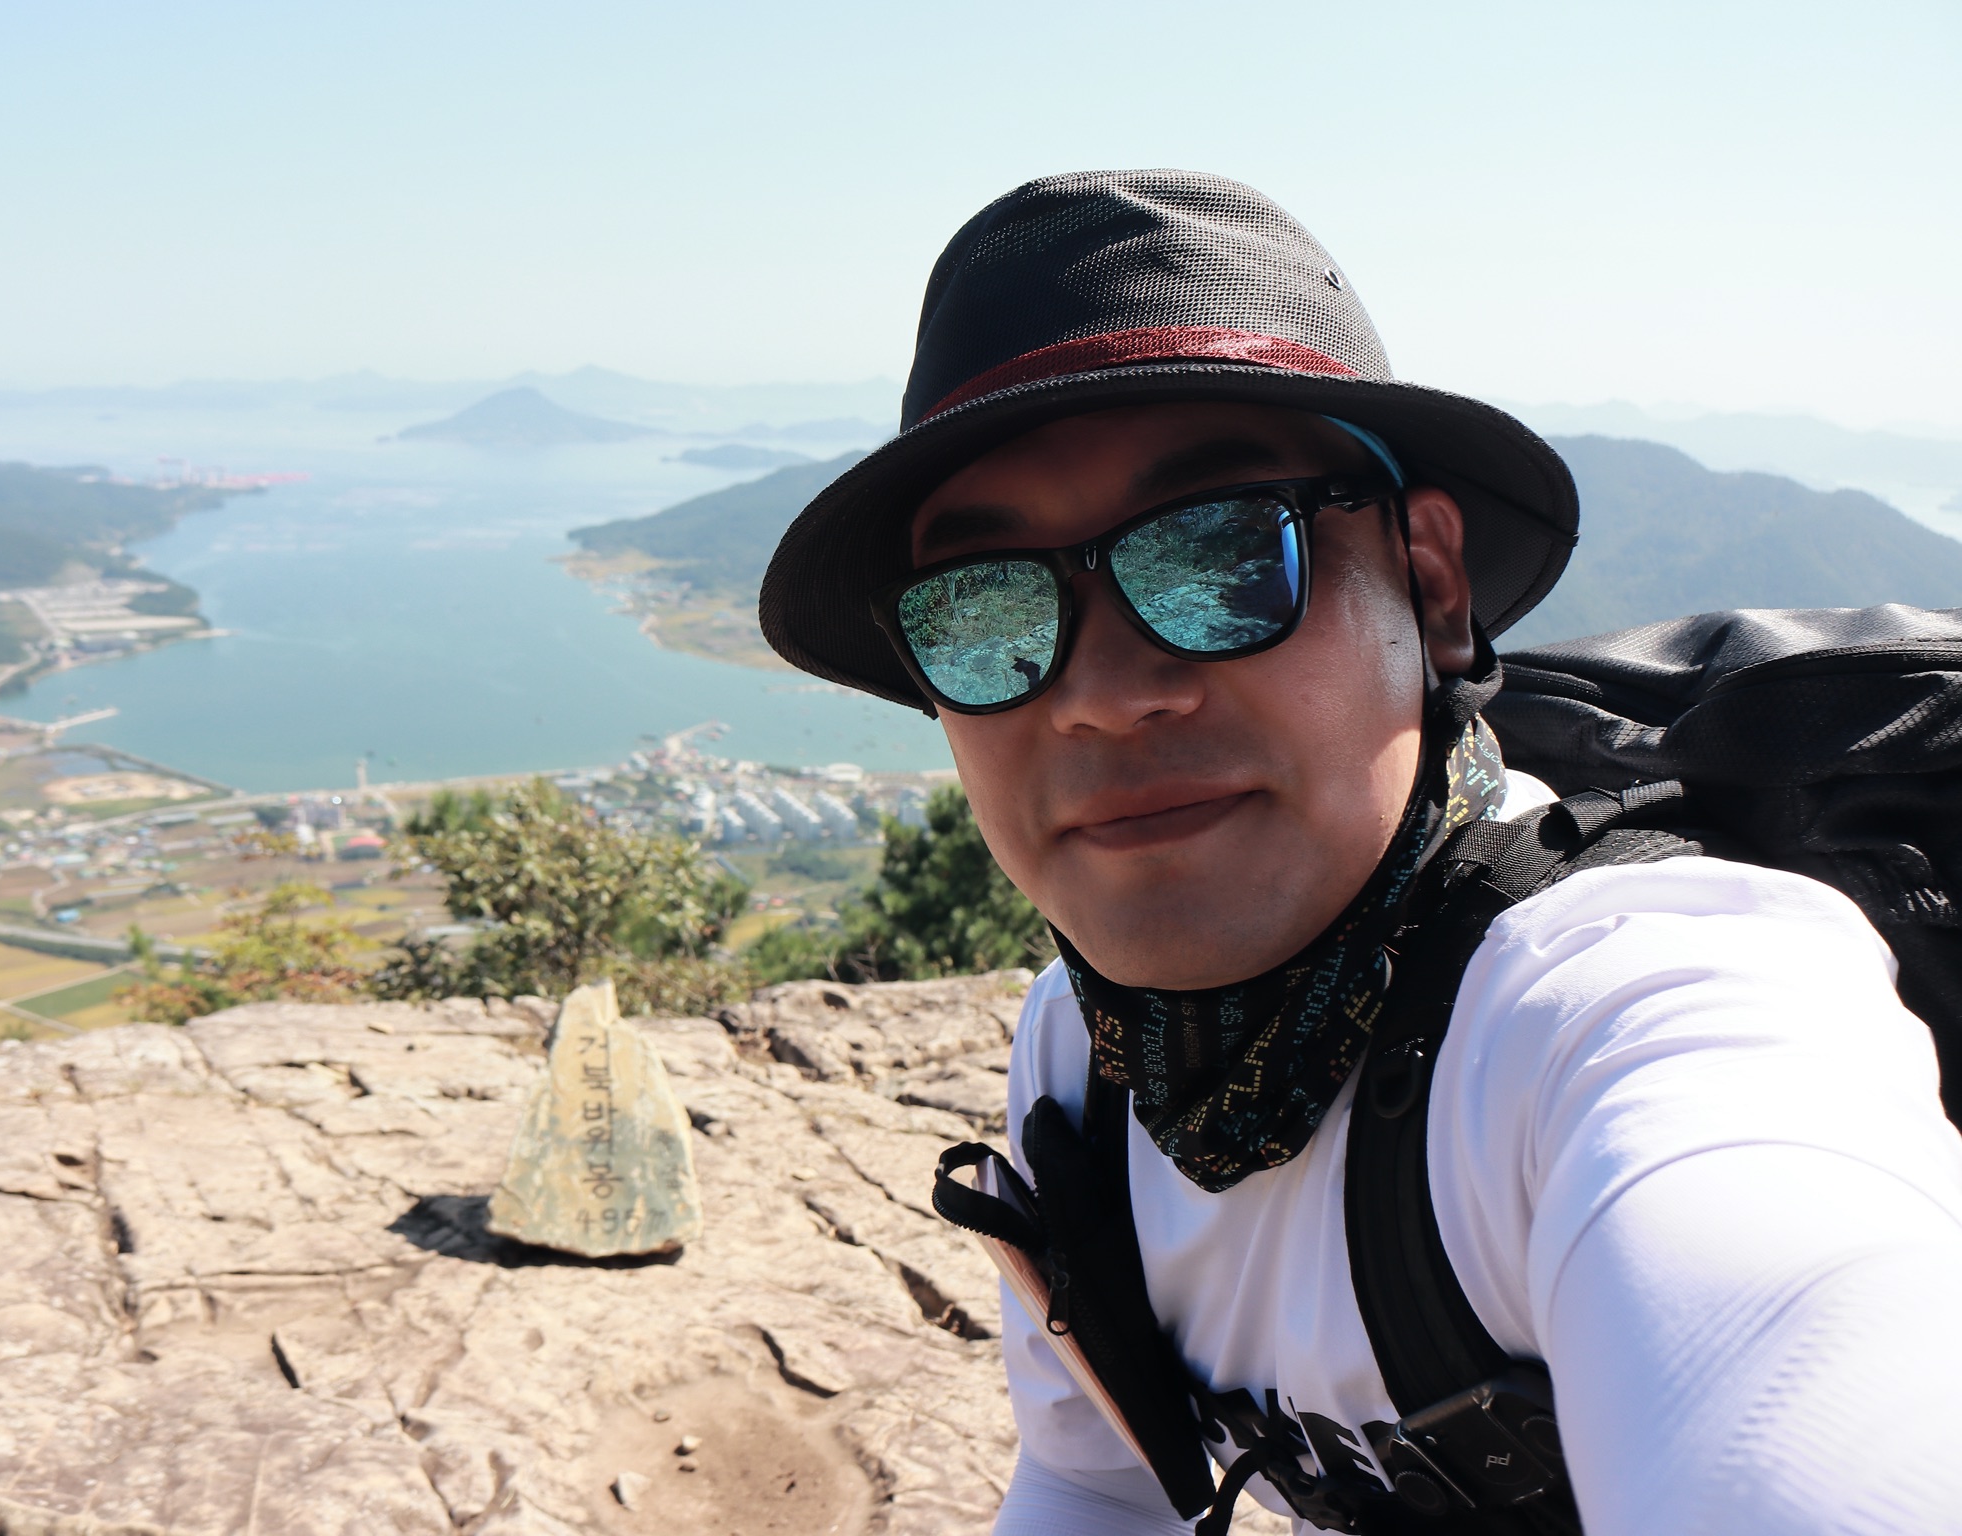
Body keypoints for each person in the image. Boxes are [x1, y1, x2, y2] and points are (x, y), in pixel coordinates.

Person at [758, 171, 1962, 1533]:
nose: (1102, 695)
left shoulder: (1624, 1012)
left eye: (1221, 553)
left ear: (1430, 586)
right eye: (983, 608)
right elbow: (1096, 1482)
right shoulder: (1087, 1061)